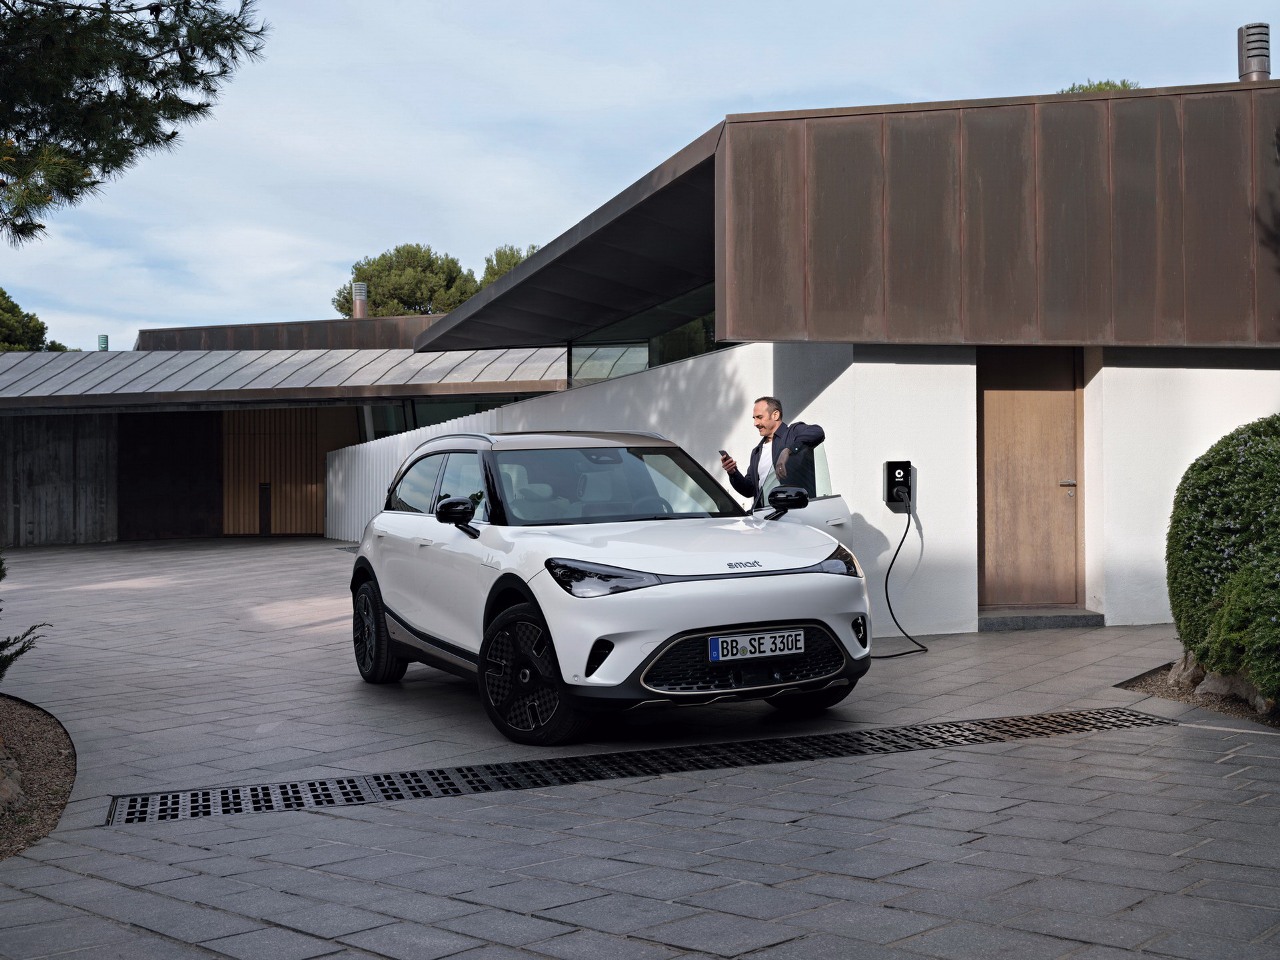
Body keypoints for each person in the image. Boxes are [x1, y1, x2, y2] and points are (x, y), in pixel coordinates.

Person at [720, 396, 825, 506]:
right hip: (766, 514)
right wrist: (733, 473)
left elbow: (817, 432)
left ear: (775, 415)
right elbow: (749, 490)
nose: (755, 423)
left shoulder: (793, 433)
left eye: (759, 417)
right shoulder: (757, 452)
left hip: (795, 511)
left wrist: (788, 450)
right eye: (754, 418)